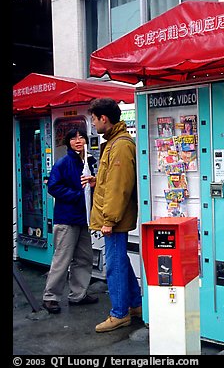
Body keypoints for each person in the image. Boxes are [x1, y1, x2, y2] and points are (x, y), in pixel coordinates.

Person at [84, 97, 141, 333]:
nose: (93, 124)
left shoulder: (119, 145)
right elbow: (113, 182)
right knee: (121, 261)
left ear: (104, 118)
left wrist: (108, 220)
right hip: (115, 217)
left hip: (114, 220)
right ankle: (136, 304)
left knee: (114, 265)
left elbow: (120, 187)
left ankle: (119, 314)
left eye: (94, 119)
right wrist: (97, 181)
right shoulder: (117, 142)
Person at [42, 128, 99, 314]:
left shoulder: (89, 160)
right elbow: (53, 186)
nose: (78, 140)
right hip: (66, 218)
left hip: (83, 218)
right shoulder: (63, 163)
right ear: (67, 142)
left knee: (84, 258)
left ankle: (78, 294)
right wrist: (77, 195)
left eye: (81, 136)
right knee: (62, 258)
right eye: (73, 138)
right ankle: (50, 297)